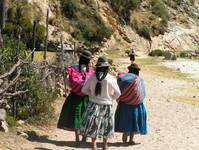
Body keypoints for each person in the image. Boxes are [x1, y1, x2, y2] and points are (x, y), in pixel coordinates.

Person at [79, 56, 121, 150]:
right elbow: (118, 93)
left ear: (97, 67)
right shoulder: (111, 79)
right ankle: (105, 145)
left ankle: (94, 145)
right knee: (106, 125)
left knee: (93, 125)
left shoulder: (92, 78)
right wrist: (110, 98)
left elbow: (83, 90)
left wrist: (91, 95)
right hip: (106, 105)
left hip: (93, 104)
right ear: (107, 67)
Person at [57, 50, 94, 142]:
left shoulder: (72, 69)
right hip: (87, 97)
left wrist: (75, 88)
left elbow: (68, 82)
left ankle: (77, 138)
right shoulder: (91, 71)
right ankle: (84, 137)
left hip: (74, 96)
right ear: (88, 61)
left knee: (76, 117)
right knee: (86, 116)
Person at [115, 63, 147, 145]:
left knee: (126, 119)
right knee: (134, 120)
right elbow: (142, 92)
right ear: (137, 71)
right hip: (137, 104)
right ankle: (131, 139)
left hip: (125, 103)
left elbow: (118, 88)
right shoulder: (139, 80)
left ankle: (125, 133)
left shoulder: (123, 78)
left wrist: (121, 98)